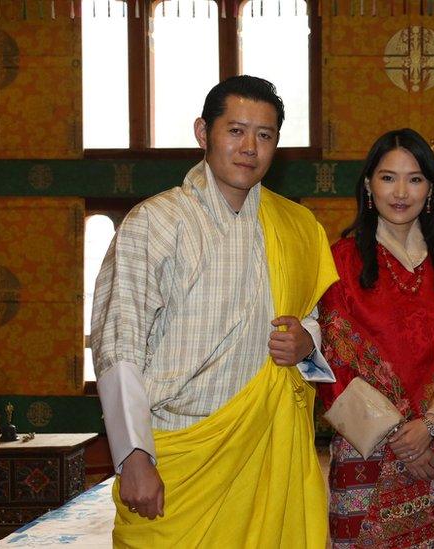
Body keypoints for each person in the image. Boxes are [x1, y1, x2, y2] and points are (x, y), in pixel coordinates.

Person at [91, 75, 337, 547]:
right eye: (236, 130)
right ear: (204, 133)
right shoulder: (156, 222)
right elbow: (117, 342)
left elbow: (310, 319)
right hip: (176, 455)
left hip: (264, 453)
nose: (250, 147)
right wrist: (133, 456)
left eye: (265, 136)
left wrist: (308, 341)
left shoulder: (297, 226)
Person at [317, 128, 434, 548]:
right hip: (366, 451)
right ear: (368, 185)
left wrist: (429, 427)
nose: (400, 192)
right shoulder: (339, 260)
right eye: (387, 177)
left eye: (414, 179)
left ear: (431, 188)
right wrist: (400, 437)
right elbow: (332, 359)